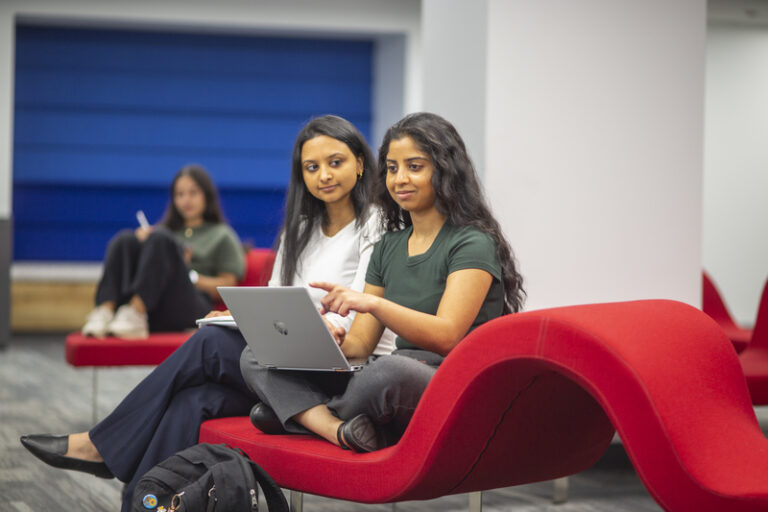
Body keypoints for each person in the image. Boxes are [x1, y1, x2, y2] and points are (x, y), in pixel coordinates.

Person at [20, 115, 394, 512]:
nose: (323, 176)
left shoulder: (377, 225)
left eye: (335, 162)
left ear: (359, 162)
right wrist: (248, 319)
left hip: (342, 367)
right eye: (311, 167)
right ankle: (139, 506)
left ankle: (98, 444)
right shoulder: (300, 228)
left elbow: (361, 312)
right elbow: (276, 302)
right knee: (193, 401)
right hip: (286, 362)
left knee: (212, 344)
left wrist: (326, 325)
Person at [240, 112, 525, 453]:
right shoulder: (389, 245)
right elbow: (360, 346)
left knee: (386, 372)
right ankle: (336, 427)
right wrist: (323, 340)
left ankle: (301, 414)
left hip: (447, 380)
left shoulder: (473, 242)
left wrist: (373, 303)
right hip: (385, 377)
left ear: (446, 170)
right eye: (392, 168)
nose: (400, 179)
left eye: (414, 167)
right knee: (256, 354)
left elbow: (448, 336)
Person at [81, 164, 245, 339]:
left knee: (160, 238)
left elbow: (228, 284)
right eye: (180, 194)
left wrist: (189, 273)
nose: (186, 200)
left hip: (192, 305)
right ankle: (105, 311)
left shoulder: (221, 234)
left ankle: (136, 311)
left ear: (206, 195)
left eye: (193, 193)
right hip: (157, 304)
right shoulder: (167, 230)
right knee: (126, 239)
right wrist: (143, 246)